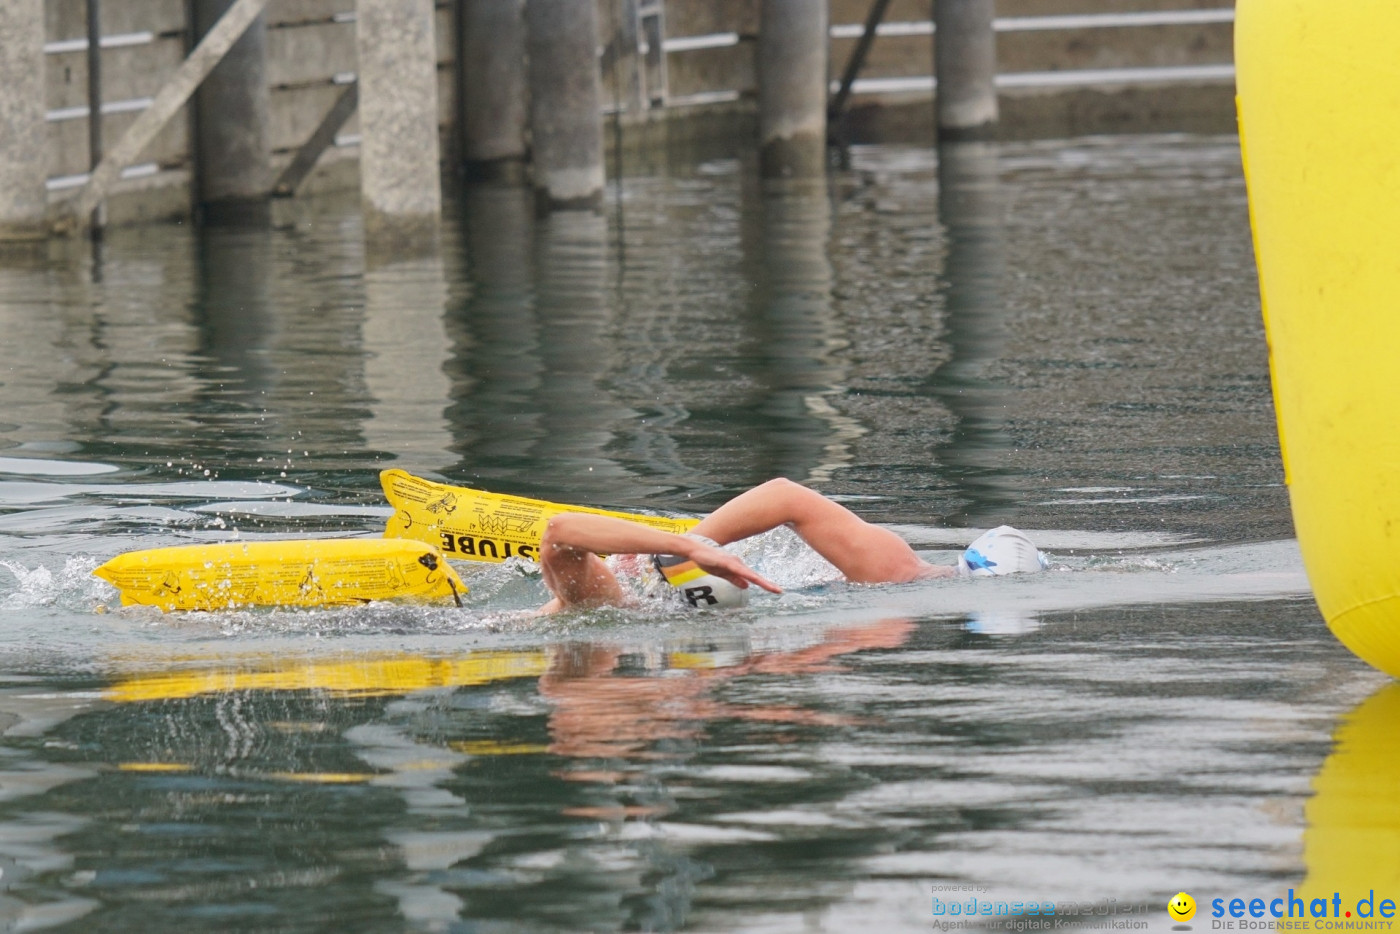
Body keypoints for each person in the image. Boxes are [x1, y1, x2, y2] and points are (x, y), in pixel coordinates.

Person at [536, 477, 1044, 614]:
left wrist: (681, 547)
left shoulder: (897, 575)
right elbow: (559, 535)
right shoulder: (895, 572)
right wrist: (689, 545)